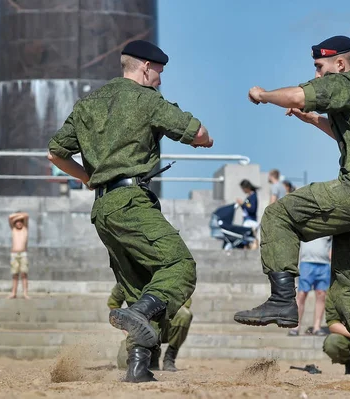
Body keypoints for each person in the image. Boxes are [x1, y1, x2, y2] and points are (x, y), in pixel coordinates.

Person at [233, 35, 350, 385]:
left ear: (340, 64)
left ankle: (282, 300)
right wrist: (314, 120)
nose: (316, 74)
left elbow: (299, 93)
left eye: (319, 67)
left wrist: (263, 95)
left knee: (279, 215)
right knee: (349, 289)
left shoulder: (342, 81)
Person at [47, 40, 213, 383]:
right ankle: (138, 313)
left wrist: (88, 179)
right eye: (159, 74)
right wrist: (204, 138)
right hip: (131, 201)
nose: (161, 81)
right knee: (179, 266)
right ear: (146, 68)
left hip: (103, 209)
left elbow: (55, 153)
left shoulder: (88, 103)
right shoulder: (146, 99)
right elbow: (198, 134)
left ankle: (138, 367)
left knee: (141, 287)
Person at [108, 283, 193, 372]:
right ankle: (151, 358)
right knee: (125, 365)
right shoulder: (126, 278)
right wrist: (128, 331)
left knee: (184, 314)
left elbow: (183, 304)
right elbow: (113, 306)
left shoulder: (169, 276)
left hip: (165, 327)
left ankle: (169, 357)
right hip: (140, 330)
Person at [288, 236, 332, 336]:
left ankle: (317, 327)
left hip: (324, 264)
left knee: (321, 294)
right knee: (301, 294)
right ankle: (296, 326)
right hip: (306, 262)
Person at [8, 212, 30, 299]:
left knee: (24, 274)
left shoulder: (25, 229)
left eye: (21, 221)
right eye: (17, 221)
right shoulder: (13, 229)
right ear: (14, 223)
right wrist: (16, 217)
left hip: (23, 254)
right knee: (15, 274)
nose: (19, 223)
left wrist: (19, 216)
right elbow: (10, 216)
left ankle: (25, 293)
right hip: (14, 254)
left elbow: (26, 215)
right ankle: (13, 293)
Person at [236, 179, 259, 249]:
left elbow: (252, 209)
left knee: (248, 238)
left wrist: (243, 204)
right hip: (247, 219)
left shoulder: (253, 196)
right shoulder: (249, 197)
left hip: (250, 220)